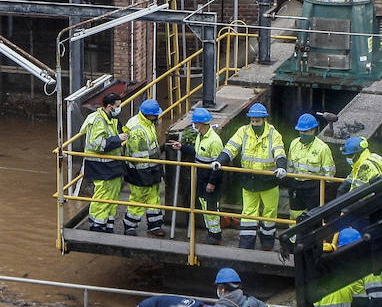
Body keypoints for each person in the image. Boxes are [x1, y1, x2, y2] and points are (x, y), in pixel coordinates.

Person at [211, 103, 287, 249]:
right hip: (249, 180)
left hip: (268, 181)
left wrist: (281, 167)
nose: (254, 123)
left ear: (264, 119)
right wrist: (220, 161)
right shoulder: (243, 131)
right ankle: (246, 243)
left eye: (257, 121)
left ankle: (267, 242)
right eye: (252, 121)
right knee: (248, 213)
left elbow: (279, 151)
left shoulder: (273, 134)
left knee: (269, 212)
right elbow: (231, 147)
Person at [167, 106, 225, 243]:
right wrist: (182, 147)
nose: (193, 125)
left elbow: (218, 166)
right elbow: (198, 153)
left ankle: (215, 235)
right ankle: (212, 232)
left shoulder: (214, 141)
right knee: (205, 208)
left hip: (209, 179)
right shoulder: (201, 137)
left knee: (211, 209)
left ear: (200, 123)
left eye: (194, 123)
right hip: (201, 177)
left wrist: (212, 183)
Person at [82, 92, 128, 232]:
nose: (120, 109)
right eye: (118, 106)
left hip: (111, 163)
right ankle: (97, 224)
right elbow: (98, 144)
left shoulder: (110, 119)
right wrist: (118, 139)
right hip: (100, 165)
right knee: (103, 194)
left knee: (113, 194)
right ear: (109, 107)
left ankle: (108, 223)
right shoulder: (98, 120)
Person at [122, 99, 165, 237]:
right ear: (149, 115)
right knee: (138, 198)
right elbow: (138, 156)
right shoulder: (137, 130)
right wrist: (147, 172)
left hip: (151, 168)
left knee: (154, 197)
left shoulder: (148, 123)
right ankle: (130, 226)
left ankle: (155, 225)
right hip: (139, 171)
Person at [287, 113, 335, 226]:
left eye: (306, 131)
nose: (303, 134)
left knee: (314, 217)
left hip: (314, 187)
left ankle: (312, 242)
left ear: (313, 130)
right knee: (295, 215)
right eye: (301, 131)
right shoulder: (294, 144)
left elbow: (329, 174)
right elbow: (290, 167)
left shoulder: (322, 148)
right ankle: (293, 240)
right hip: (296, 185)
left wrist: (320, 188)